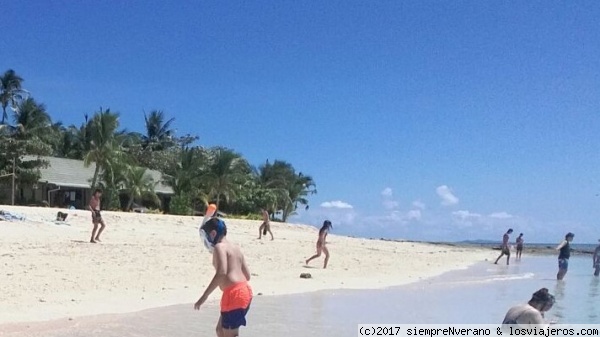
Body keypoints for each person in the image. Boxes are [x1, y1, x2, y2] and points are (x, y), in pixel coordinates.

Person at [195, 217, 253, 337]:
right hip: (245, 292)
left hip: (234, 295)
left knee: (230, 334)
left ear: (213, 234)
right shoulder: (235, 248)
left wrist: (204, 296)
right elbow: (247, 276)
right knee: (220, 331)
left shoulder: (219, 247)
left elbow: (222, 273)